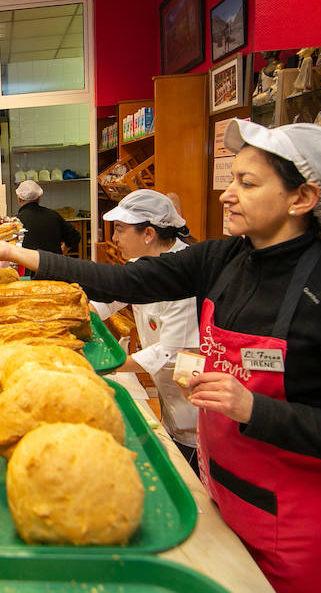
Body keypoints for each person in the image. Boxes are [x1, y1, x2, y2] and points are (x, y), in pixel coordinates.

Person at [0, 120, 321, 593]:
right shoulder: (223, 259)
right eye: (231, 180)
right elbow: (124, 281)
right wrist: (14, 255)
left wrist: (255, 409)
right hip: (217, 492)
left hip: (301, 531)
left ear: (302, 198)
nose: (227, 194)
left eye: (246, 183)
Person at [90, 190, 200, 473]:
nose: (114, 238)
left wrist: (106, 366)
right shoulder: (143, 265)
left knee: (191, 467)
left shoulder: (185, 274)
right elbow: (109, 298)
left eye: (120, 230)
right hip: (167, 396)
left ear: (148, 234)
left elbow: (173, 351)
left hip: (195, 405)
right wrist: (76, 313)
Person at [15, 179, 81, 256]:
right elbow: (74, 237)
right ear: (38, 198)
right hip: (54, 265)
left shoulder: (17, 222)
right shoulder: (53, 215)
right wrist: (63, 249)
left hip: (28, 266)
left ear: (19, 199)